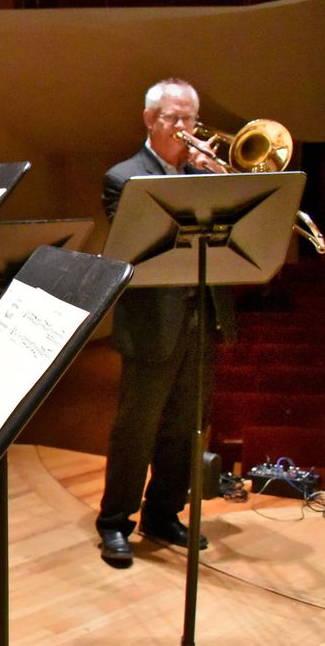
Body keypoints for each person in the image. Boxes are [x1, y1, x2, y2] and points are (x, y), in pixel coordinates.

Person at [96, 77, 233, 568]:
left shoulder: (207, 175)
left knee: (186, 426)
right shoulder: (124, 176)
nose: (182, 127)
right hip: (153, 319)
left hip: (201, 314)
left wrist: (218, 181)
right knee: (137, 427)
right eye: (172, 118)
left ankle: (163, 513)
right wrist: (192, 182)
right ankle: (115, 523)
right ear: (150, 120)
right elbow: (145, 241)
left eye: (189, 118)